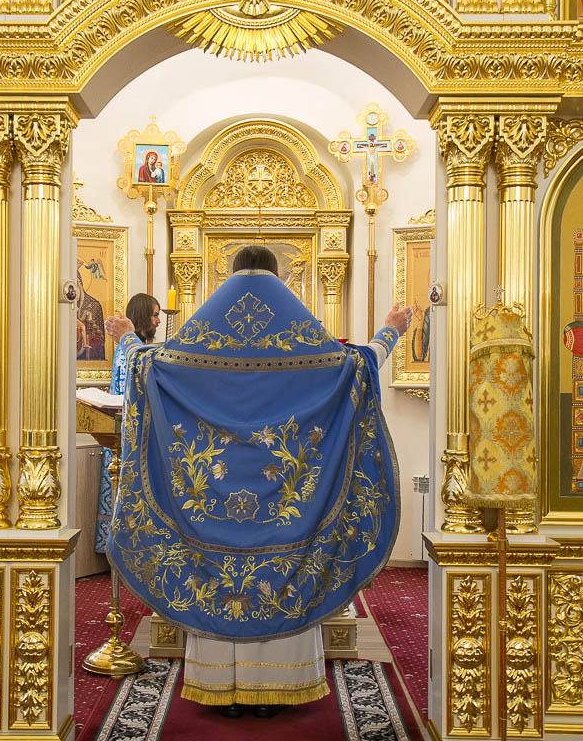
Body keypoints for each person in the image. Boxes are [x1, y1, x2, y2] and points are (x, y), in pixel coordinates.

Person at [105, 245, 411, 715]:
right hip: (286, 506)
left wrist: (127, 337)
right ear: (277, 275)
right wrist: (391, 329)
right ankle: (278, 689)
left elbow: (149, 365)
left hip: (212, 505)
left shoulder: (204, 334)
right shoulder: (301, 336)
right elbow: (358, 365)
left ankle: (220, 689)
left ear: (231, 273)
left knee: (214, 571)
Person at [95, 293, 161, 553]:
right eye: (155, 315)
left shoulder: (137, 349)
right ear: (144, 316)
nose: (158, 321)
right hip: (126, 434)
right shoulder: (131, 353)